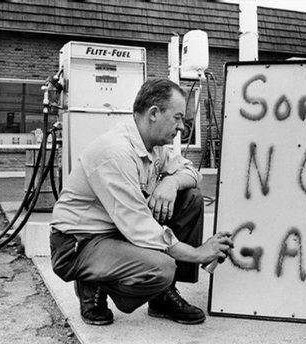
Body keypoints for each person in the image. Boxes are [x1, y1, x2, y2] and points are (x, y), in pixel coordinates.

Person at [49, 79, 233, 326]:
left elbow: (191, 172)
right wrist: (198, 254)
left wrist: (171, 184)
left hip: (116, 230)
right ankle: (92, 280)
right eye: (177, 118)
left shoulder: (153, 146)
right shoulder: (115, 151)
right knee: (162, 268)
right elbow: (140, 227)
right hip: (79, 243)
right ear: (154, 113)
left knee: (190, 198)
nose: (181, 127)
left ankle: (162, 297)